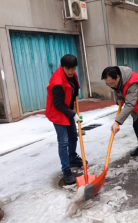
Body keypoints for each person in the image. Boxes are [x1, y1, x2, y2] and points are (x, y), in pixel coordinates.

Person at [102, 66, 138, 171]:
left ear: (117, 77)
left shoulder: (132, 82)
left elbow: (130, 104)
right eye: (108, 84)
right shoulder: (118, 80)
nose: (110, 86)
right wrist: (118, 100)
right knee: (136, 126)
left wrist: (117, 122)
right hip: (135, 103)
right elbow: (117, 90)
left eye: (111, 83)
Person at [46, 54, 84, 185]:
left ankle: (72, 157)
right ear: (62, 67)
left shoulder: (73, 75)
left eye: (73, 68)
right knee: (63, 141)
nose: (71, 72)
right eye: (68, 69)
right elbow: (58, 104)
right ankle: (66, 169)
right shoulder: (57, 82)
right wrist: (73, 114)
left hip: (67, 110)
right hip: (57, 112)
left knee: (73, 135)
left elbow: (73, 89)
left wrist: (75, 93)